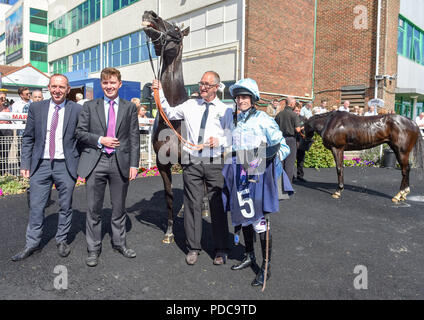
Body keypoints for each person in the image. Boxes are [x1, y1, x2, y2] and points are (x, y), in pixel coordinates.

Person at [151, 71, 232, 266]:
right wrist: (159, 92)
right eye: (201, 83)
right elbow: (168, 112)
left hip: (214, 162)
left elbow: (232, 136)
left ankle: (221, 248)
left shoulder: (226, 109)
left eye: (207, 84)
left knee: (217, 206)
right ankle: (193, 248)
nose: (202, 87)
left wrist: (220, 140)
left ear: (216, 88)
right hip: (192, 162)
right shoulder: (189, 105)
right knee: (192, 205)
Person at [222, 78, 291, 287]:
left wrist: (262, 159)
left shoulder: (263, 119)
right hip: (238, 176)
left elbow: (283, 147)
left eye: (245, 96)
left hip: (257, 178)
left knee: (259, 222)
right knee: (244, 217)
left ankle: (266, 266)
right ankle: (249, 255)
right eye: (238, 96)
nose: (240, 100)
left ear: (253, 99)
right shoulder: (234, 120)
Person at [11, 74, 82, 261]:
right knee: (36, 206)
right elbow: (28, 138)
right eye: (54, 86)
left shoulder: (76, 109)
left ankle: (61, 240)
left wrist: (80, 165)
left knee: (65, 206)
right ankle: (32, 244)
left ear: (68, 89)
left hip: (65, 165)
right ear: (48, 88)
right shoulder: (36, 107)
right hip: (40, 164)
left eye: (62, 87)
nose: (57, 90)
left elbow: (82, 138)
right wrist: (25, 163)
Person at [76, 67, 140, 267]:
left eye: (113, 82)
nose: (109, 86)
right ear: (101, 85)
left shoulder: (129, 107)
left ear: (119, 84)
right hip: (96, 161)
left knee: (119, 207)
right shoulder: (89, 106)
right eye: (105, 83)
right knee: (94, 208)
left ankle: (119, 243)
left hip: (119, 162)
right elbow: (80, 133)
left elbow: (134, 138)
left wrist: (134, 164)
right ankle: (93, 248)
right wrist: (100, 139)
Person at [275, 96, 301, 185]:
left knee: (281, 162)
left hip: (280, 140)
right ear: (292, 104)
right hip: (291, 140)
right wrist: (302, 127)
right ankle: (287, 186)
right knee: (289, 163)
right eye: (294, 103)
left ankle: (278, 185)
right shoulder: (294, 115)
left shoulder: (279, 114)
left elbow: (274, 128)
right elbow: (297, 130)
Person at [0, 92, 13, 175]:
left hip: (7, 131)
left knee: (5, 153)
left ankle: (3, 172)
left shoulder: (7, 108)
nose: (3, 100)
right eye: (1, 98)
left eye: (4, 98)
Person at [293, 104, 307, 182]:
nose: (298, 112)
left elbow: (306, 128)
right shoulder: (291, 117)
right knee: (292, 160)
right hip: (294, 141)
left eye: (299, 110)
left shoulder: (303, 118)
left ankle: (300, 175)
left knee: (301, 159)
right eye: (296, 110)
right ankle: (291, 176)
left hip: (301, 141)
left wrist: (304, 128)